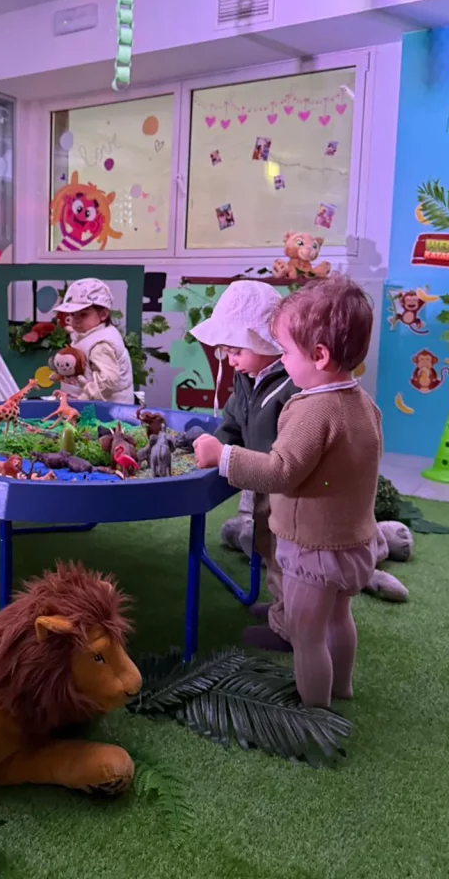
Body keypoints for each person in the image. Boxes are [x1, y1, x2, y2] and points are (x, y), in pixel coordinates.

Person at [194, 275, 381, 709]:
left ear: (319, 355)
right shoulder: (364, 404)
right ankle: (342, 687)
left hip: (314, 549)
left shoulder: (311, 409)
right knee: (339, 618)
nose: (283, 360)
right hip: (354, 542)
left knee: (307, 635)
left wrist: (224, 456)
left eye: (287, 352)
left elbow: (280, 471)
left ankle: (314, 710)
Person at [190, 279, 298, 653]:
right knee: (269, 547)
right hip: (262, 483)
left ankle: (291, 629)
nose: (230, 359)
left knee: (289, 557)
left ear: (267, 343)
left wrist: (226, 456)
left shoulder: (292, 384)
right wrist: (217, 445)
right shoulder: (247, 377)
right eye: (226, 350)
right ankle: (282, 610)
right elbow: (234, 422)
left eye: (236, 350)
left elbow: (289, 458)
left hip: (289, 488)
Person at [55, 278, 135, 404]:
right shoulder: (88, 335)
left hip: (109, 411)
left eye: (83, 314)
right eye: (73, 314)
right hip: (91, 407)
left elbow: (109, 380)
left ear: (103, 315)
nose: (76, 320)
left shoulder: (101, 345)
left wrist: (84, 397)